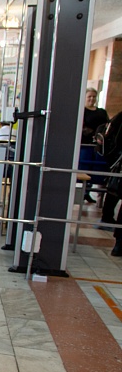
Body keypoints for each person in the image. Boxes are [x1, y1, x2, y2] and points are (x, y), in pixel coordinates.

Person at [96, 111, 122, 255]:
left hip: (117, 167)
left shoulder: (118, 118)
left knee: (113, 195)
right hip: (118, 167)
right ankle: (119, 242)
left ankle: (119, 242)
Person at [80, 87, 110, 204]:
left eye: (94, 96)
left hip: (99, 145)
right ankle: (83, 192)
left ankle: (91, 193)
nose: (92, 99)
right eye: (89, 96)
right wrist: (94, 134)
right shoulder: (82, 111)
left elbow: (107, 125)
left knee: (96, 169)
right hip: (86, 144)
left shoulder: (102, 112)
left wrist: (102, 137)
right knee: (84, 168)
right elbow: (81, 126)